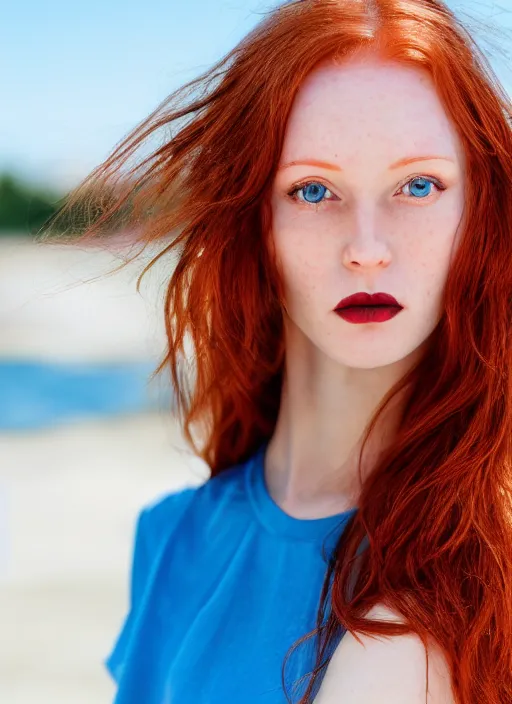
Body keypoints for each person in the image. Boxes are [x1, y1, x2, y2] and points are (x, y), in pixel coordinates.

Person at [44, 0, 512, 702]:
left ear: (478, 213)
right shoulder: (172, 537)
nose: (366, 249)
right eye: (314, 190)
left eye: (418, 185)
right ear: (255, 222)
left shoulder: (464, 579)